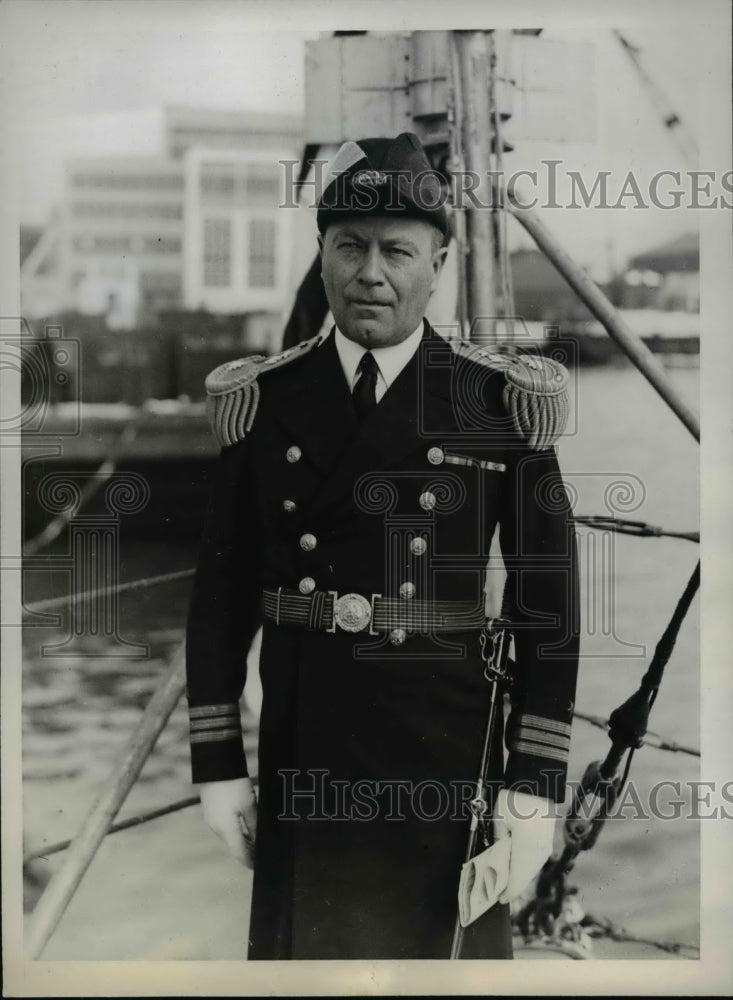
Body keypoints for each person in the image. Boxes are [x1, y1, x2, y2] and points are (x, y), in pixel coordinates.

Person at [185, 132, 579, 960]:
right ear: (322, 254)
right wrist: (218, 763)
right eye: (350, 246)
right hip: (306, 747)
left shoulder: (495, 402)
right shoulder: (265, 401)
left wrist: (535, 785)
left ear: (436, 262)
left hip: (442, 746)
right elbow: (220, 599)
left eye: (397, 250)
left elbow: (547, 602)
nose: (371, 272)